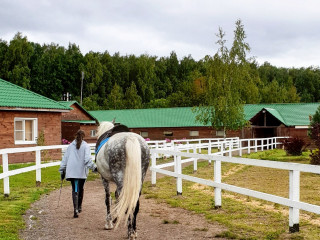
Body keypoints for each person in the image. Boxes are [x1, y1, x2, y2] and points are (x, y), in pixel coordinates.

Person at [59, 130, 97, 218]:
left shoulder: (70, 146)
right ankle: (79, 207)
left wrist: (62, 171)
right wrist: (94, 167)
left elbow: (64, 160)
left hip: (72, 171)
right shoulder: (86, 146)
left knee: (75, 189)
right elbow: (87, 160)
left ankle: (75, 209)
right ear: (83, 136)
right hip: (81, 172)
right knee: (81, 188)